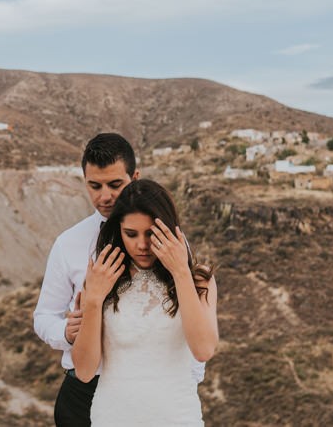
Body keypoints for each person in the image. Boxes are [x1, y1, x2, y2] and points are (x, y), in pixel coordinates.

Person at [72, 179, 218, 426]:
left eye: (151, 234)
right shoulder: (100, 281)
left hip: (177, 419)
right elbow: (84, 372)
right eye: (131, 234)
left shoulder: (198, 279)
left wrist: (180, 271)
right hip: (111, 418)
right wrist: (94, 300)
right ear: (118, 230)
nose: (141, 245)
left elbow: (203, 350)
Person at [33, 133, 140, 426]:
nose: (104, 196)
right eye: (95, 186)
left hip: (144, 394)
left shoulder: (162, 241)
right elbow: (43, 316)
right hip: (83, 396)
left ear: (135, 177)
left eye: (115, 184)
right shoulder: (68, 243)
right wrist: (66, 332)